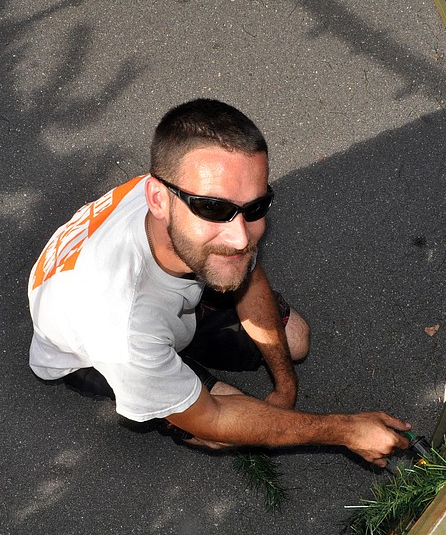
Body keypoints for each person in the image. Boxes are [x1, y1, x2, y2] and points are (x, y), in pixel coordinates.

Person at [28, 98, 410, 467]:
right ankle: (160, 378)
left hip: (166, 294)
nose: (241, 237)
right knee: (217, 432)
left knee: (296, 339)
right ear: (157, 199)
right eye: (214, 208)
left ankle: (172, 363)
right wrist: (345, 431)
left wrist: (285, 387)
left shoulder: (186, 196)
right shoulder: (122, 330)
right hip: (95, 350)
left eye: (255, 207)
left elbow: (248, 273)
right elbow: (211, 420)